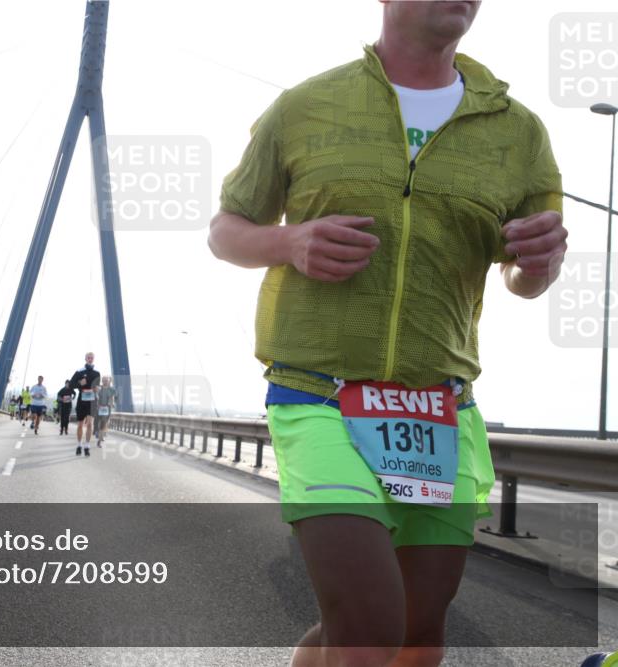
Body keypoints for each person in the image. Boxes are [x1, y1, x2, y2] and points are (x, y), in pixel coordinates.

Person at [208, 2, 566, 665]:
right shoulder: (305, 106)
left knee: (415, 633)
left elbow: (524, 276)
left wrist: (538, 265)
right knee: (372, 627)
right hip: (321, 399)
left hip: (440, 411)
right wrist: (287, 241)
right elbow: (226, 230)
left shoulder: (520, 133)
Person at [69, 352, 101, 456]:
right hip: (82, 400)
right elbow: (70, 385)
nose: (90, 359)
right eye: (88, 357)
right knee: (80, 425)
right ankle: (79, 445)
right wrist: (79, 383)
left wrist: (97, 389)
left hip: (92, 401)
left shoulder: (97, 373)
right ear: (85, 359)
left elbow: (97, 387)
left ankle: (87, 446)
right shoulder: (79, 371)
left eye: (92, 357)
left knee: (90, 424)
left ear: (94, 359)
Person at [95, 375, 117, 447]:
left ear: (108, 381)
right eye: (104, 380)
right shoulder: (99, 388)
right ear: (102, 381)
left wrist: (112, 403)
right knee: (100, 423)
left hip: (107, 408)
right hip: (99, 408)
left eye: (106, 380)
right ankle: (99, 436)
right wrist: (97, 404)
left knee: (104, 423)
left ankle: (100, 438)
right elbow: (96, 397)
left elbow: (113, 397)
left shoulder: (111, 389)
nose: (105, 382)